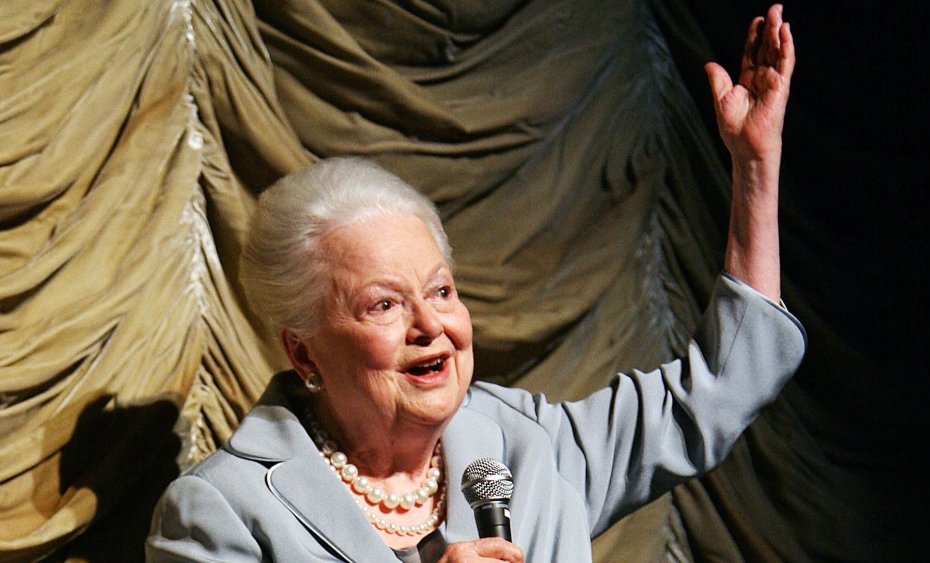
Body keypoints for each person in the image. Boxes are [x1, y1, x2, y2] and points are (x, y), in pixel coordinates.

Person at [146, 5, 801, 562]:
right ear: (304, 350)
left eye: (441, 292)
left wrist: (754, 166)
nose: (432, 326)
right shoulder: (224, 511)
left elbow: (719, 387)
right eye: (384, 304)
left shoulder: (523, 444)